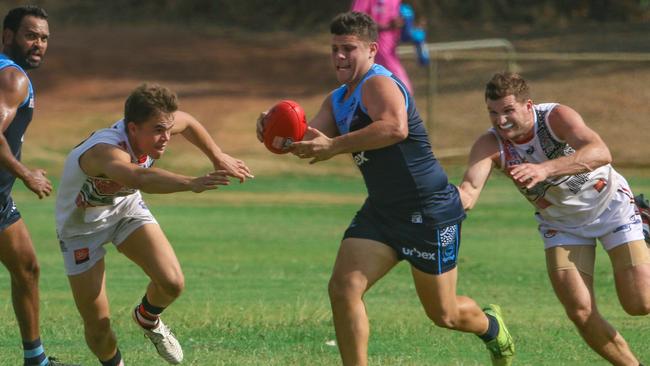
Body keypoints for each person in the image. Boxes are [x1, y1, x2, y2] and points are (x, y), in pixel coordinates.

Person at [256, 12, 514, 366]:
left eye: (349, 48)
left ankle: (492, 327)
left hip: (427, 210)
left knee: (445, 314)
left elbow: (394, 128)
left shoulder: (379, 84)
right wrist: (277, 132)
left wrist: (334, 146)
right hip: (382, 211)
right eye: (334, 49)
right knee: (344, 289)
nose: (340, 57)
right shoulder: (337, 100)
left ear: (372, 50)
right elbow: (309, 140)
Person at [458, 72, 650, 365]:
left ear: (528, 106)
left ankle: (643, 218)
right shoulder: (490, 143)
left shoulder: (554, 117)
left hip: (612, 207)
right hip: (561, 224)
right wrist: (430, 203)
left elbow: (601, 151)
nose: (500, 120)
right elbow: (469, 191)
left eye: (508, 110)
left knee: (640, 304)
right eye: (493, 112)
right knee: (580, 311)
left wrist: (544, 169)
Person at [55, 83, 253, 366]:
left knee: (172, 283)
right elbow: (140, 179)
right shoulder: (105, 151)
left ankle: (147, 318)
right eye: (158, 130)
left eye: (167, 129)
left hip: (125, 209)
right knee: (98, 327)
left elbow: (189, 122)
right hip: (81, 231)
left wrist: (217, 155)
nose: (165, 138)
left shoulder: (159, 126)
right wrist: (192, 183)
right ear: (133, 128)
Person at [0, 6, 77, 366]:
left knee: (27, 267)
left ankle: (36, 360)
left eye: (44, 38)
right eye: (30, 35)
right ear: (8, 36)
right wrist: (25, 172)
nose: (39, 44)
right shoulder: (13, 78)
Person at [350, 0, 414, 94]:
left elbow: (398, 25)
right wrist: (386, 26)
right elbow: (355, 20)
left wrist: (402, 25)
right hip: (369, 48)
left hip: (390, 50)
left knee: (401, 89)